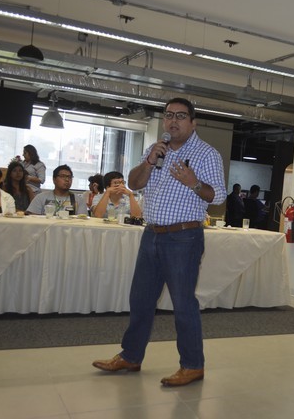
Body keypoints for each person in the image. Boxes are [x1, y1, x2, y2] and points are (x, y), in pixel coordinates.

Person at [92, 97, 226, 387]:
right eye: (169, 115)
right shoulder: (156, 149)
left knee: (183, 303)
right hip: (152, 233)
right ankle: (131, 356)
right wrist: (150, 160)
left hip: (184, 237)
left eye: (180, 116)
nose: (173, 121)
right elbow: (134, 183)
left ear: (193, 122)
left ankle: (192, 365)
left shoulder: (207, 154)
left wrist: (193, 182)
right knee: (140, 299)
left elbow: (218, 196)